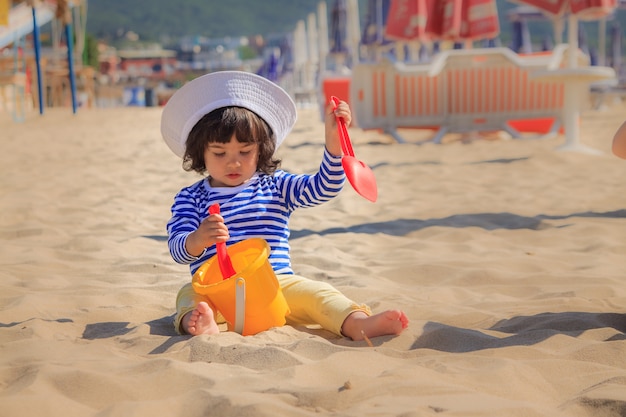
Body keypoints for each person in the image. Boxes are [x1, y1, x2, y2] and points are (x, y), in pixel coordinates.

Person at [160, 71, 408, 341]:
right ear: (201, 152)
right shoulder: (191, 197)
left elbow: (323, 188)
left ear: (262, 149)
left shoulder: (275, 185)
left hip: (275, 285)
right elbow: (178, 248)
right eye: (220, 153)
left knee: (319, 295)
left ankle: (358, 322)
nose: (234, 162)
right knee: (189, 296)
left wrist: (334, 147)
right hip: (217, 291)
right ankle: (201, 324)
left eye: (245, 152)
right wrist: (197, 240)